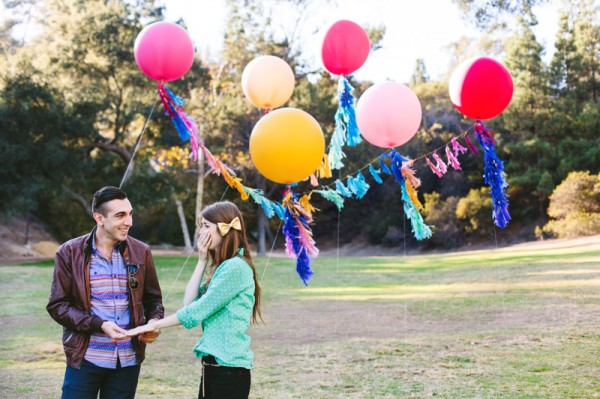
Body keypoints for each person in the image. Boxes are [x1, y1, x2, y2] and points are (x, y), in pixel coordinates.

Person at [127, 201, 263, 399]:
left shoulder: (235, 267)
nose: (202, 232)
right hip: (216, 367)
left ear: (224, 228)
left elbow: (195, 312)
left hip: (228, 370)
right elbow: (189, 304)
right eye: (201, 226)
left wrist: (151, 325)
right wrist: (201, 260)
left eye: (206, 226)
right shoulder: (223, 266)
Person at [47, 186, 164, 399]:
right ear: (99, 218)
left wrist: (153, 323)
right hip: (85, 357)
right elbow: (58, 306)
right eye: (120, 215)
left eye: (130, 214)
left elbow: (153, 299)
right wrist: (98, 324)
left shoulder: (141, 251)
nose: (129, 221)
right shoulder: (69, 252)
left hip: (128, 359)